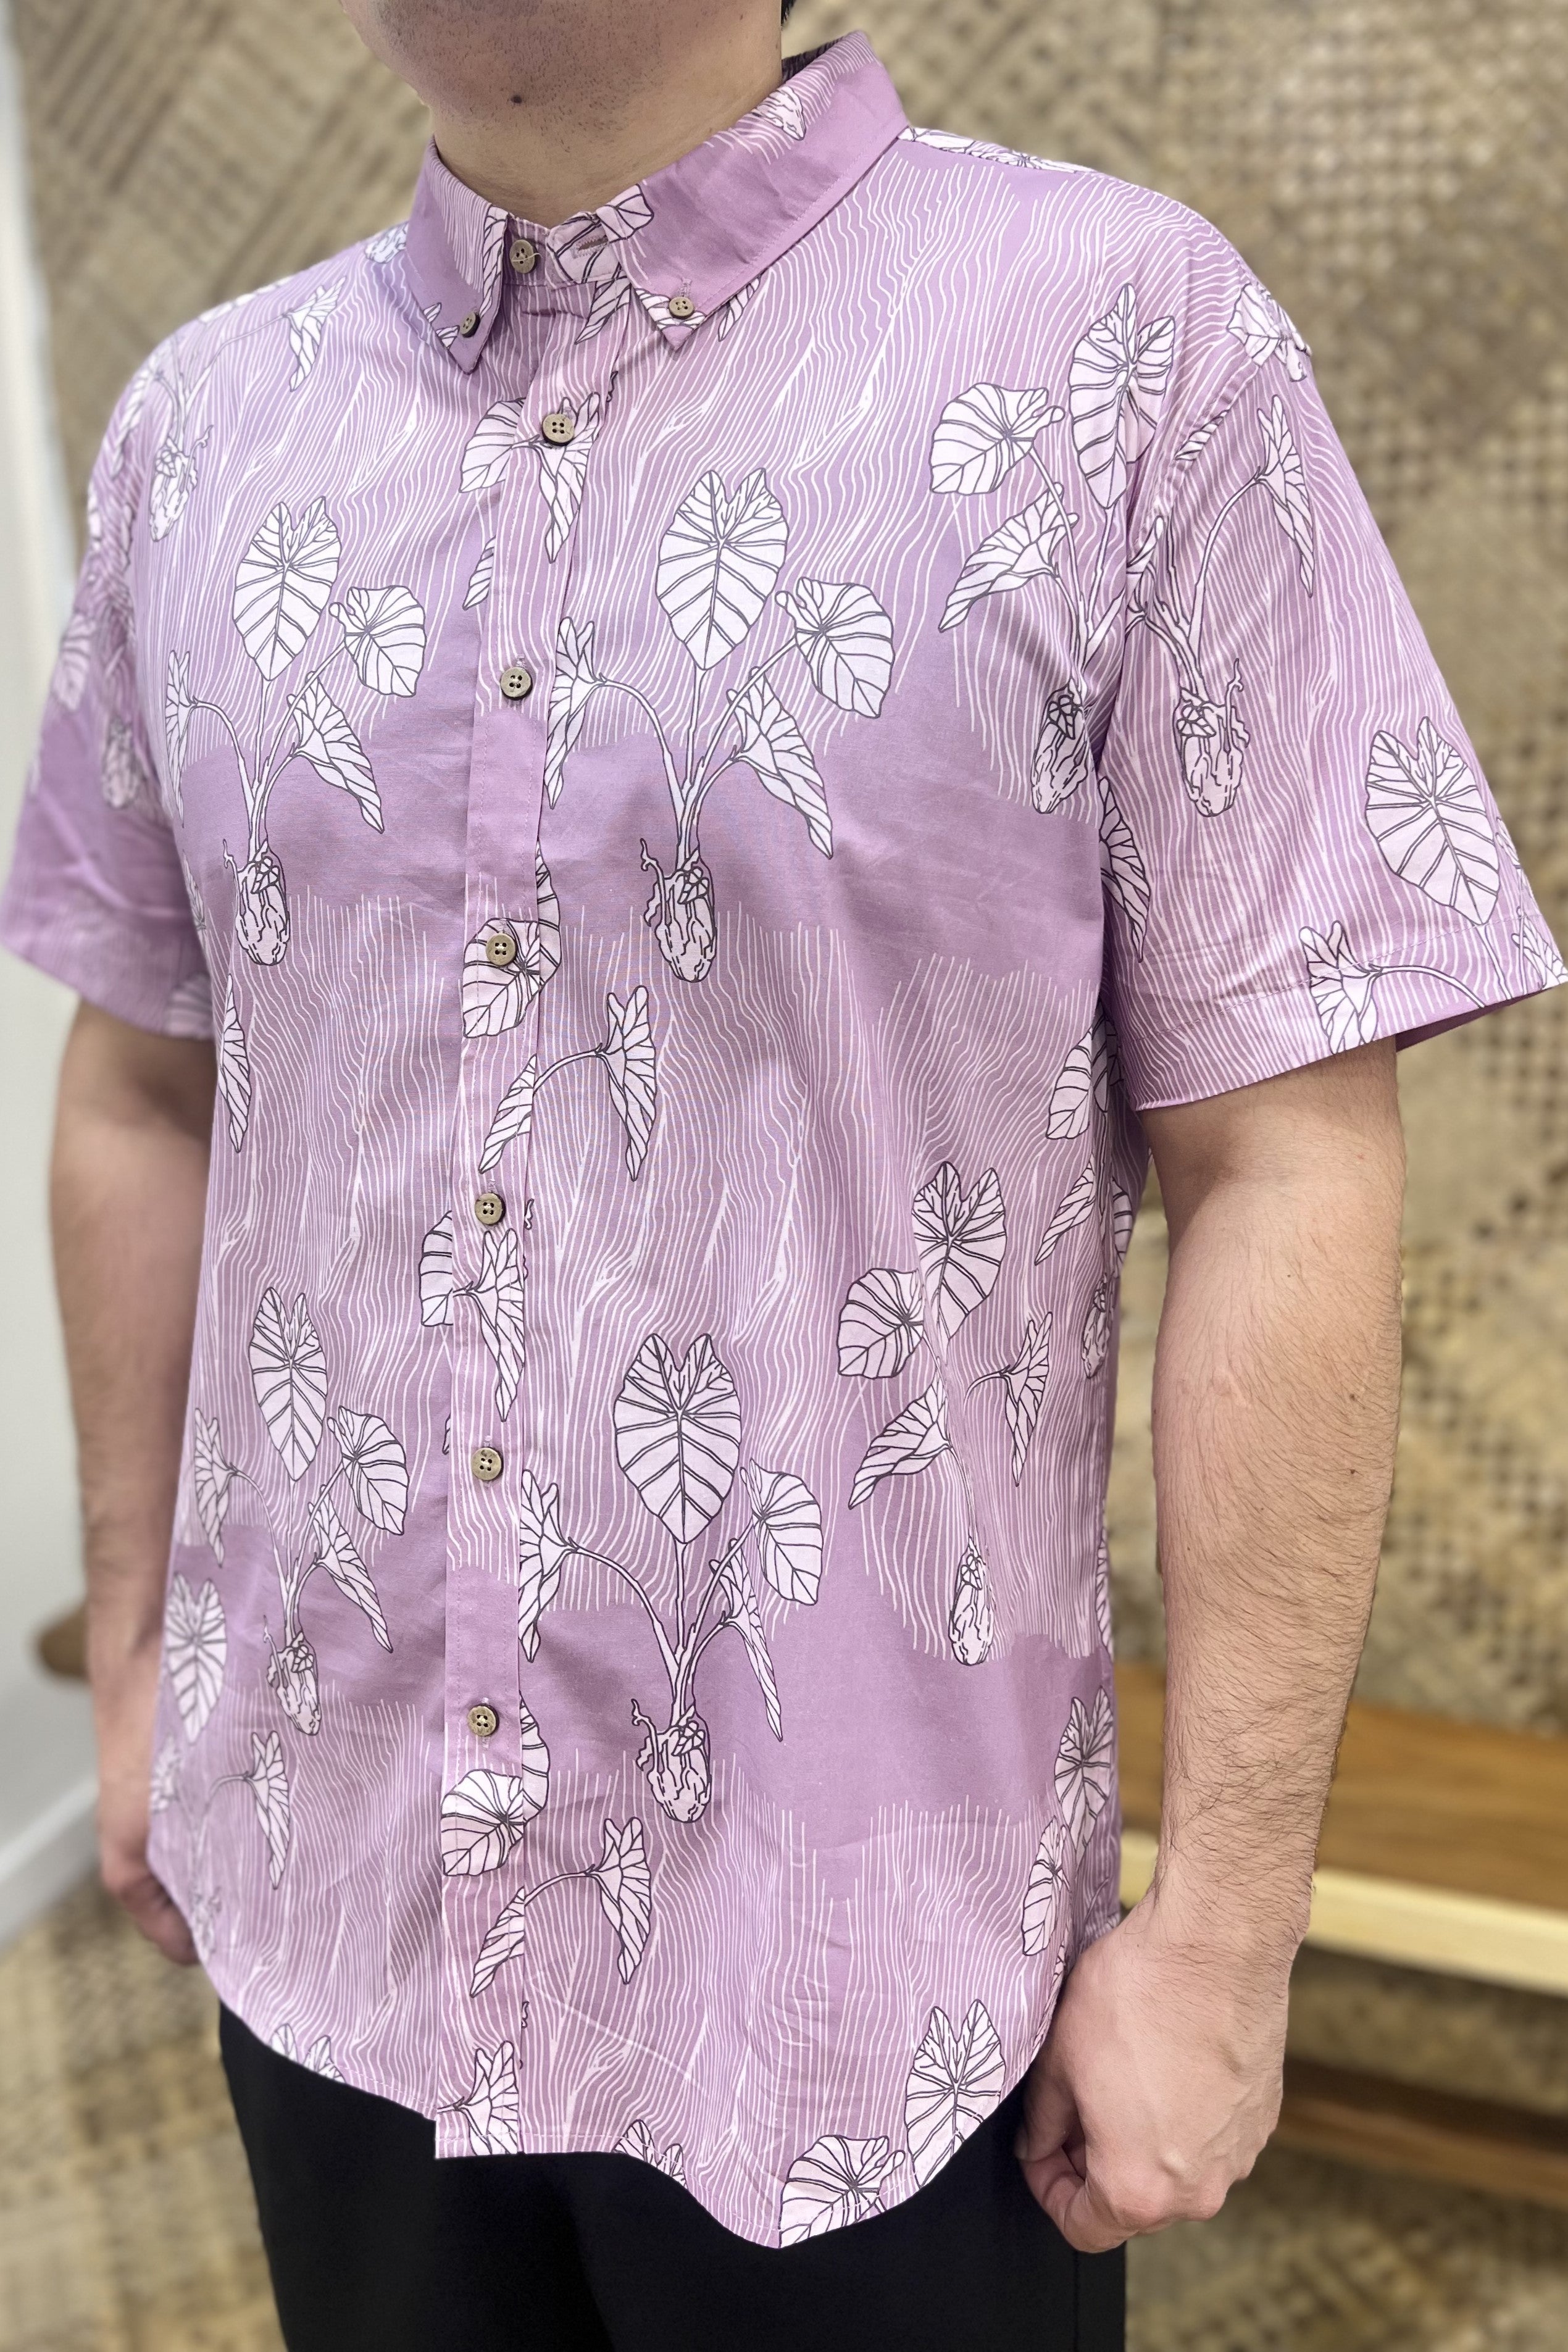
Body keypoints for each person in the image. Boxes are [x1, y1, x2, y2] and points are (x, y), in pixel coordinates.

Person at [4, 0, 1559, 2344]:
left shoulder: (1121, 352)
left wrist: (1229, 1934)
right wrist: (138, 1655)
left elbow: (1286, 1163)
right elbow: (142, 1082)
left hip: (867, 1989)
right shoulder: (198, 432)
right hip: (328, 1881)